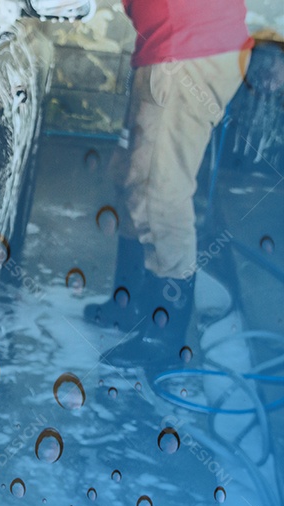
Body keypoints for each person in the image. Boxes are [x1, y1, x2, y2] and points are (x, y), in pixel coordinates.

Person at [84, 0, 252, 364]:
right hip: (171, 44)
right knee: (132, 175)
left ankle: (163, 338)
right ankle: (126, 303)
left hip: (186, 49)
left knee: (160, 192)